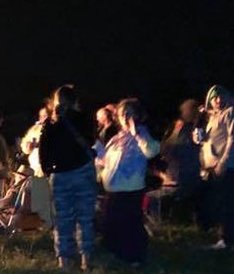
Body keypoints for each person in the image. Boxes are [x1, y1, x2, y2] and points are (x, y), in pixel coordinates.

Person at [38, 85, 97, 271]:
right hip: (83, 172)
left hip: (60, 175)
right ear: (74, 101)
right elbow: (91, 142)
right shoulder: (84, 120)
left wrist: (49, 171)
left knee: (63, 220)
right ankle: (85, 258)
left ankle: (63, 260)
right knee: (85, 217)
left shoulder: (50, 123)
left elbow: (43, 153)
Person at [95, 99, 160, 265]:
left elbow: (152, 150)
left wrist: (136, 133)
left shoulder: (141, 132)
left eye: (129, 112)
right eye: (122, 113)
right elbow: (105, 160)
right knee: (113, 221)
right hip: (113, 188)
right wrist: (95, 148)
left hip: (130, 187)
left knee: (131, 223)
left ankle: (135, 257)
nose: (125, 116)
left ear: (136, 115)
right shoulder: (117, 138)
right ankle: (117, 255)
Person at [194, 85, 234, 249]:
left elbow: (232, 139)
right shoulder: (211, 118)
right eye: (214, 97)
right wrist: (199, 139)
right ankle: (224, 237)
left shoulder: (230, 112)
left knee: (227, 202)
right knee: (218, 201)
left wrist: (224, 162)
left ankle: (228, 239)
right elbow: (210, 140)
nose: (218, 99)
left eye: (220, 96)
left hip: (226, 166)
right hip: (211, 166)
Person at [158, 99, 205, 224]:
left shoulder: (198, 127)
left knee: (189, 198)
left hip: (189, 170)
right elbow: (165, 149)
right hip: (179, 170)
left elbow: (199, 143)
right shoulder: (179, 127)